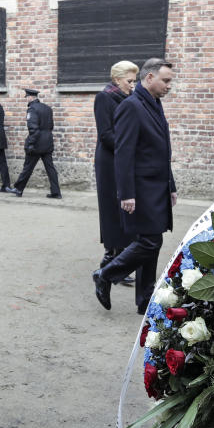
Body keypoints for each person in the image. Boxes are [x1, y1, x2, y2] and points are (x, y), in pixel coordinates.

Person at [92, 58, 178, 314]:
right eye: (166, 80)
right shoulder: (131, 106)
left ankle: (145, 300)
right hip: (140, 189)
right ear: (150, 78)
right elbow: (124, 152)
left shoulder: (153, 103)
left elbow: (161, 149)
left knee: (152, 240)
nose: (169, 86)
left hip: (156, 186)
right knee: (150, 242)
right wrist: (126, 193)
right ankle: (106, 274)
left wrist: (170, 184)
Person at [94, 61, 138, 286]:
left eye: (134, 81)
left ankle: (117, 261)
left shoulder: (130, 99)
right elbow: (105, 134)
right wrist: (129, 147)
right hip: (110, 161)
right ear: (116, 80)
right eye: (129, 81)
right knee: (112, 209)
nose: (133, 85)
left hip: (124, 159)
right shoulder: (104, 98)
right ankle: (111, 261)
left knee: (125, 211)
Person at [13, 88, 61, 198]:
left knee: (28, 167)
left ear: (30, 97)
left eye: (27, 97)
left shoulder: (32, 109)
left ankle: (18, 189)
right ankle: (56, 192)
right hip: (48, 141)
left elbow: (33, 129)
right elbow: (51, 126)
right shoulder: (48, 108)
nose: (27, 100)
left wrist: (30, 143)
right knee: (50, 168)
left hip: (37, 143)